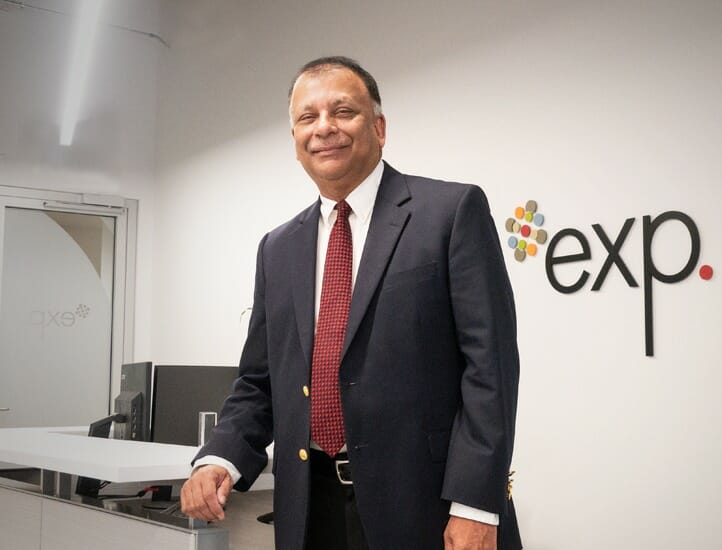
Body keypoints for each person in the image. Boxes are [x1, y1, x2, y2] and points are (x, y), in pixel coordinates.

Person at [180, 56, 521, 550]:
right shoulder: (277, 248)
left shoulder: (450, 213)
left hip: (429, 508)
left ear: (379, 128)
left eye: (343, 111)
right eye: (307, 117)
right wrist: (219, 459)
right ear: (295, 141)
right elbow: (259, 381)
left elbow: (489, 370)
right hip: (310, 508)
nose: (325, 128)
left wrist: (475, 504)